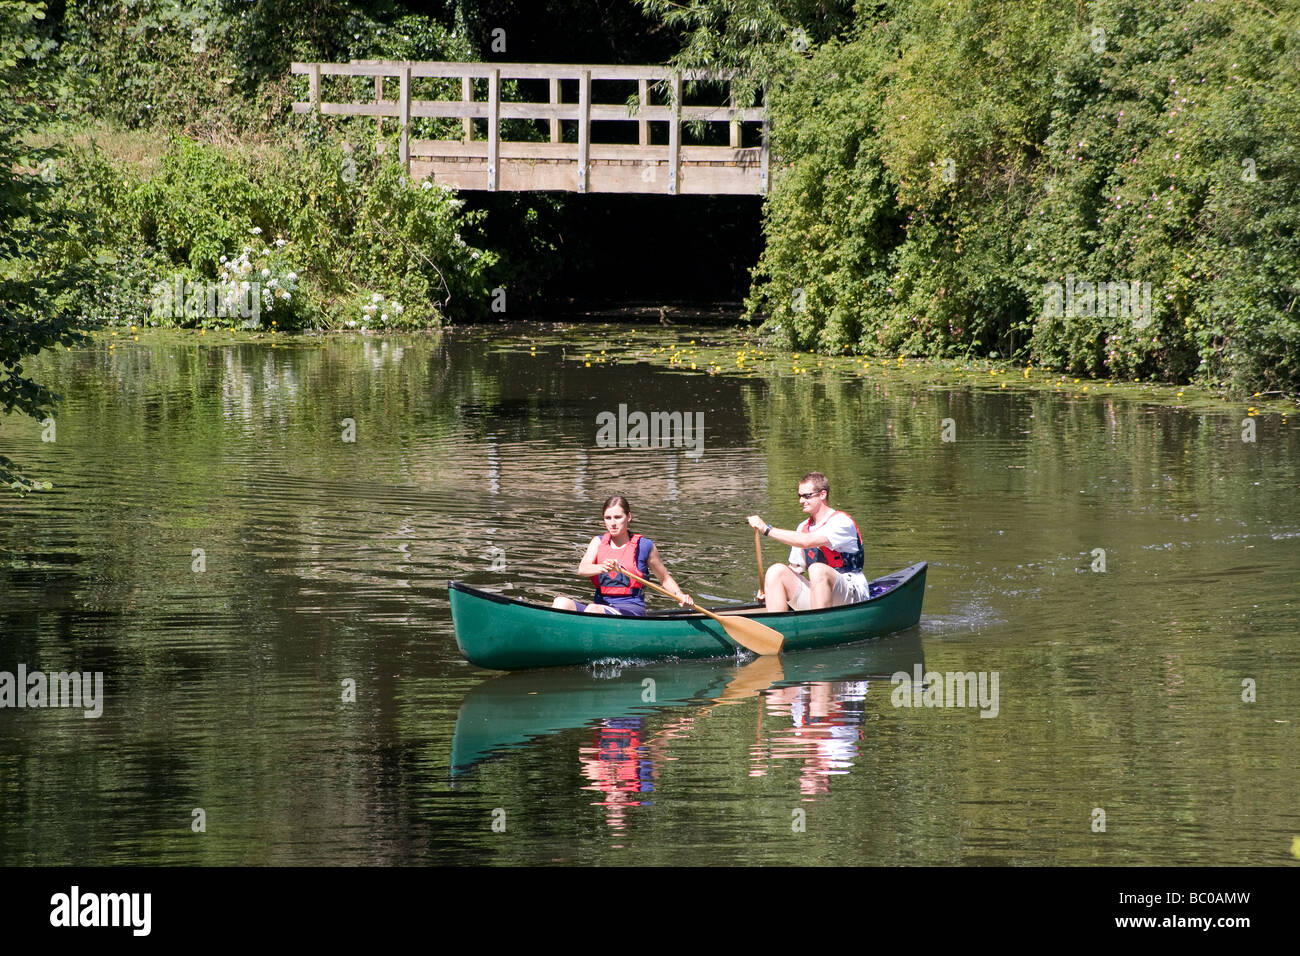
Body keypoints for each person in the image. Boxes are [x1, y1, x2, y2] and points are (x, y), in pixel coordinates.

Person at [552, 495, 692, 616]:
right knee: (560, 602)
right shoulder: (597, 542)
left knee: (593, 609)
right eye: (608, 518)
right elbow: (582, 569)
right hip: (600, 606)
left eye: (618, 517)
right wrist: (602, 567)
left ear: (628, 517)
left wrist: (679, 595)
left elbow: (664, 578)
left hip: (631, 609)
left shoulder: (645, 546)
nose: (612, 523)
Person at [747, 472, 868, 611]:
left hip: (853, 593)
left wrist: (767, 529)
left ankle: (821, 623)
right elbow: (796, 568)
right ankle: (777, 627)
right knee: (776, 572)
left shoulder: (841, 521)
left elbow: (807, 541)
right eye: (800, 496)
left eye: (807, 496)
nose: (801, 501)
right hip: (820, 594)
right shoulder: (803, 527)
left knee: (817, 569)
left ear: (822, 494)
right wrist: (770, 588)